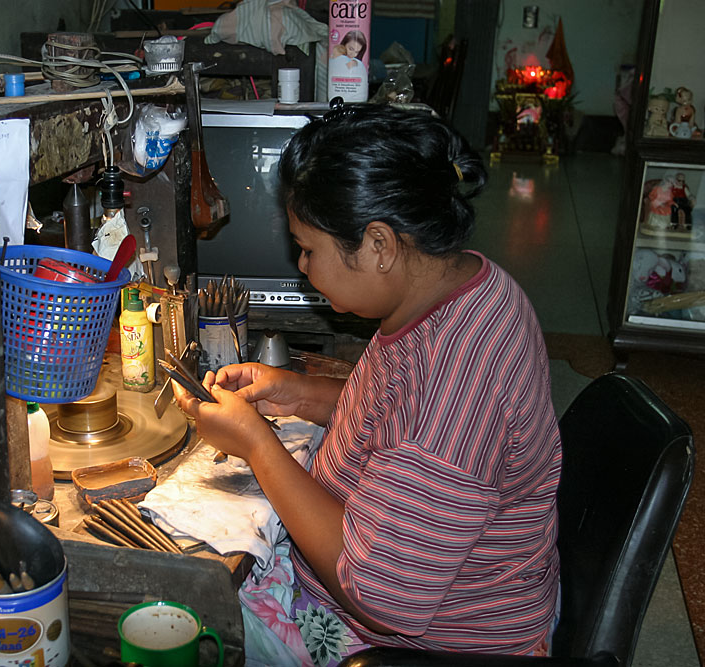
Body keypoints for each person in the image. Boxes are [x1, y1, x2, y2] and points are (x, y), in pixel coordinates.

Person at [173, 103, 562, 665]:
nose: (302, 266)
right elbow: (400, 417)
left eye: (309, 249)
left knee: (178, 624)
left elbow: (380, 596)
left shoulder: (458, 372)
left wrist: (257, 443)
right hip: (386, 594)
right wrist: (297, 393)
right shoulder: (456, 286)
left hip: (416, 644)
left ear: (379, 245)